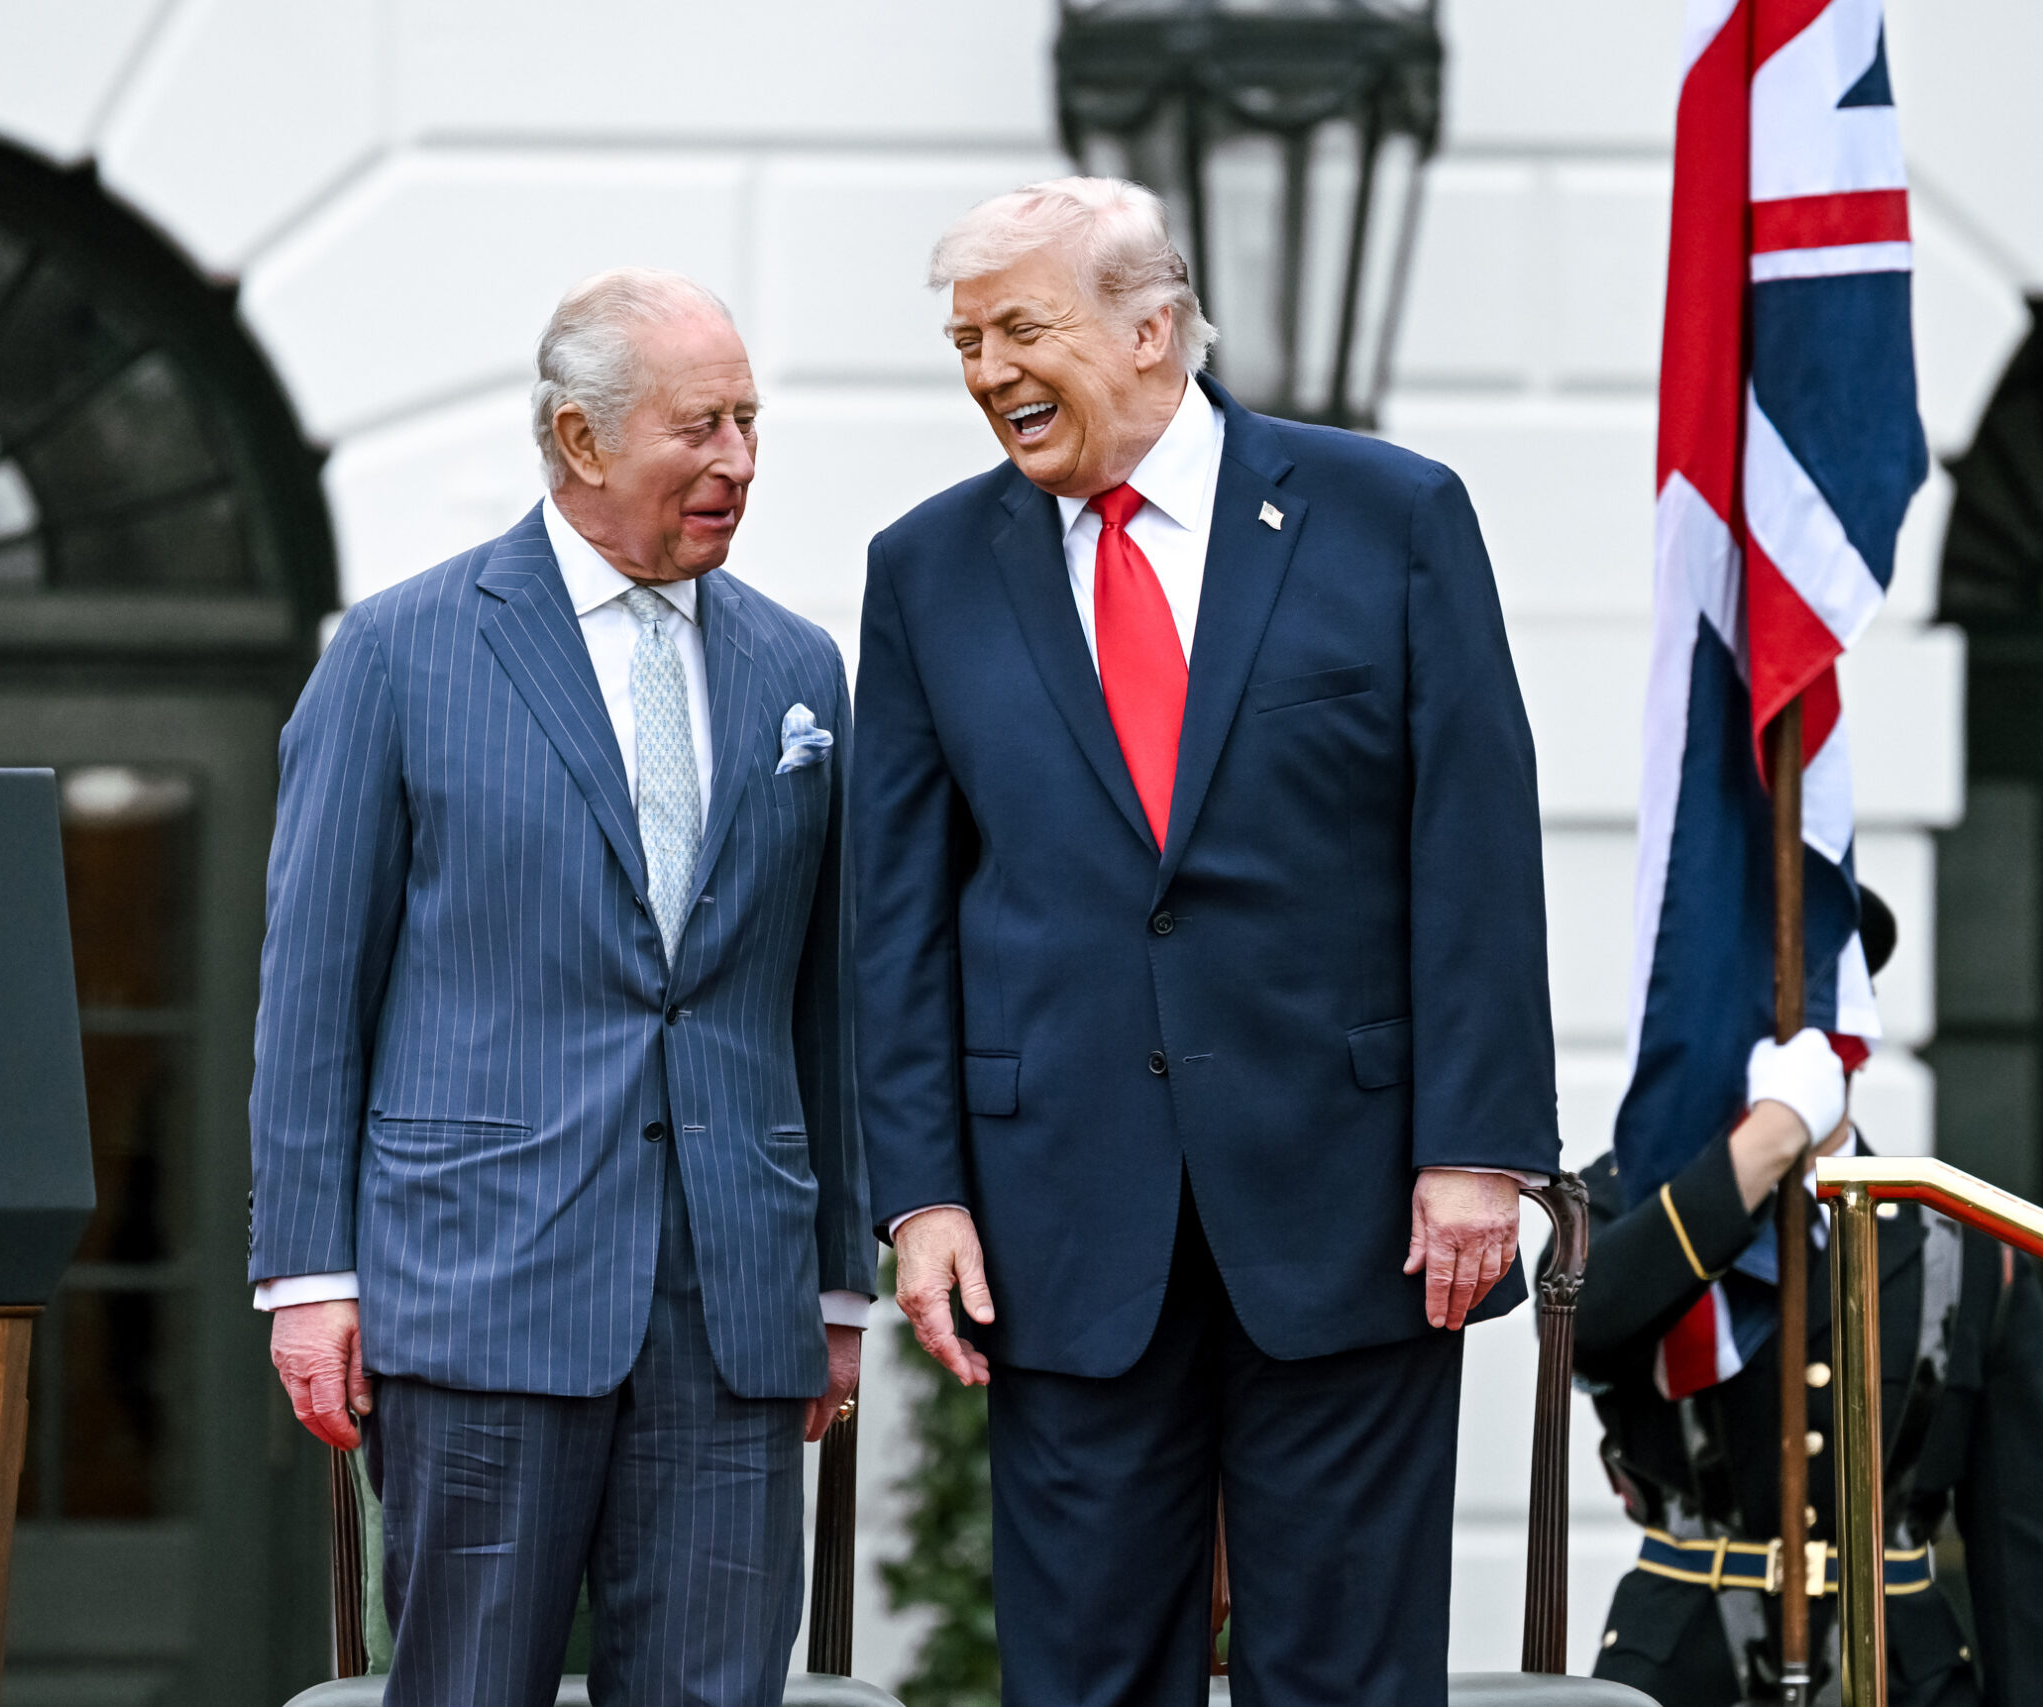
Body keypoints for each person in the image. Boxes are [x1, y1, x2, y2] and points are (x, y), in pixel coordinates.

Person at [848, 176, 1558, 1707]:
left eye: (1020, 328)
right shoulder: (925, 569)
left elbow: (1476, 847)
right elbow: (895, 916)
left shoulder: (1392, 515)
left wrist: (1478, 1147)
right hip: (1058, 1227)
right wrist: (920, 1193)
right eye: (966, 342)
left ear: (1150, 326)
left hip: (1353, 1205)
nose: (988, 370)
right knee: (1084, 1674)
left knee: (1345, 1676)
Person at [246, 267, 875, 1707]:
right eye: (701, 426)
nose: (739, 460)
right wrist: (312, 1280)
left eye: (750, 422)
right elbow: (314, 987)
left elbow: (825, 997)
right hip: (480, 1292)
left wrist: (837, 1280)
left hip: (733, 1308)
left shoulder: (799, 664)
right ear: (581, 440)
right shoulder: (400, 651)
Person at [1579, 894, 2043, 1707]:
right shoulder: (1630, 1201)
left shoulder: (1968, 1245)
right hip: (1686, 1671)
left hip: (1903, 1677)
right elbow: (1582, 1330)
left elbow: (2015, 1549)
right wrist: (1762, 1147)